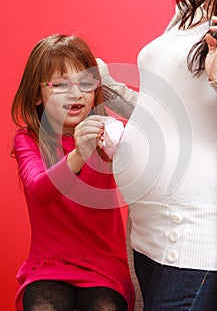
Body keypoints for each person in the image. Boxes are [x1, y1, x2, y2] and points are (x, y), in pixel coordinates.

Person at [102, 0, 217, 310]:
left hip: (195, 243)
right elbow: (164, 113)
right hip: (148, 237)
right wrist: (107, 88)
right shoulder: (187, 14)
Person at [11, 34, 135, 311]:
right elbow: (39, 191)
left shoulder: (107, 133)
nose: (76, 94)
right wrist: (80, 153)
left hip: (105, 266)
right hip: (49, 265)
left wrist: (120, 145)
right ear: (37, 95)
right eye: (60, 85)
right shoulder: (29, 139)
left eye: (86, 83)